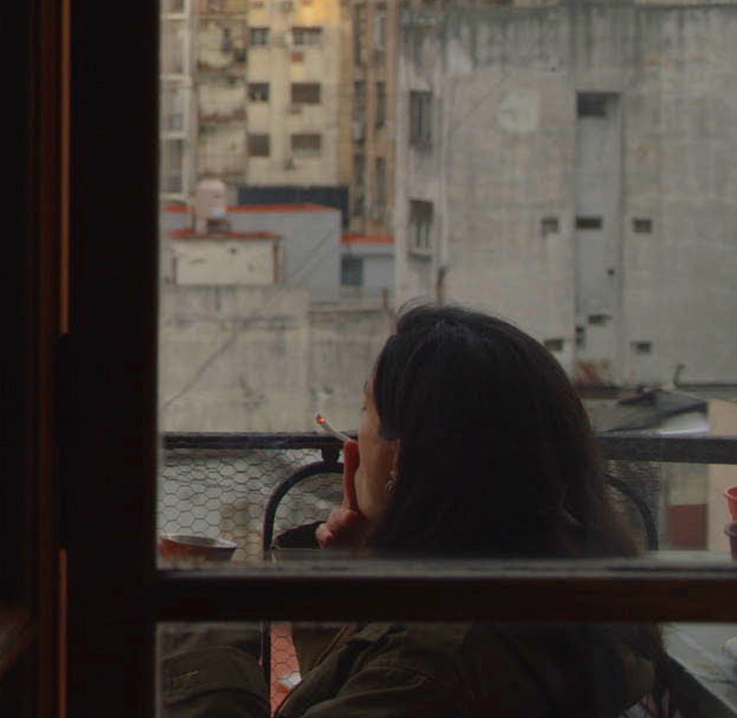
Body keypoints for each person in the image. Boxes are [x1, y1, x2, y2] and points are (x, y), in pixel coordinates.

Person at [164, 304, 664, 718]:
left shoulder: (432, 666)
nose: (353, 438)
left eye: (365, 408)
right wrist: (349, 585)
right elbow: (348, 692)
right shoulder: (544, 593)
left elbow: (391, 683)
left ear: (400, 460)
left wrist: (200, 618)